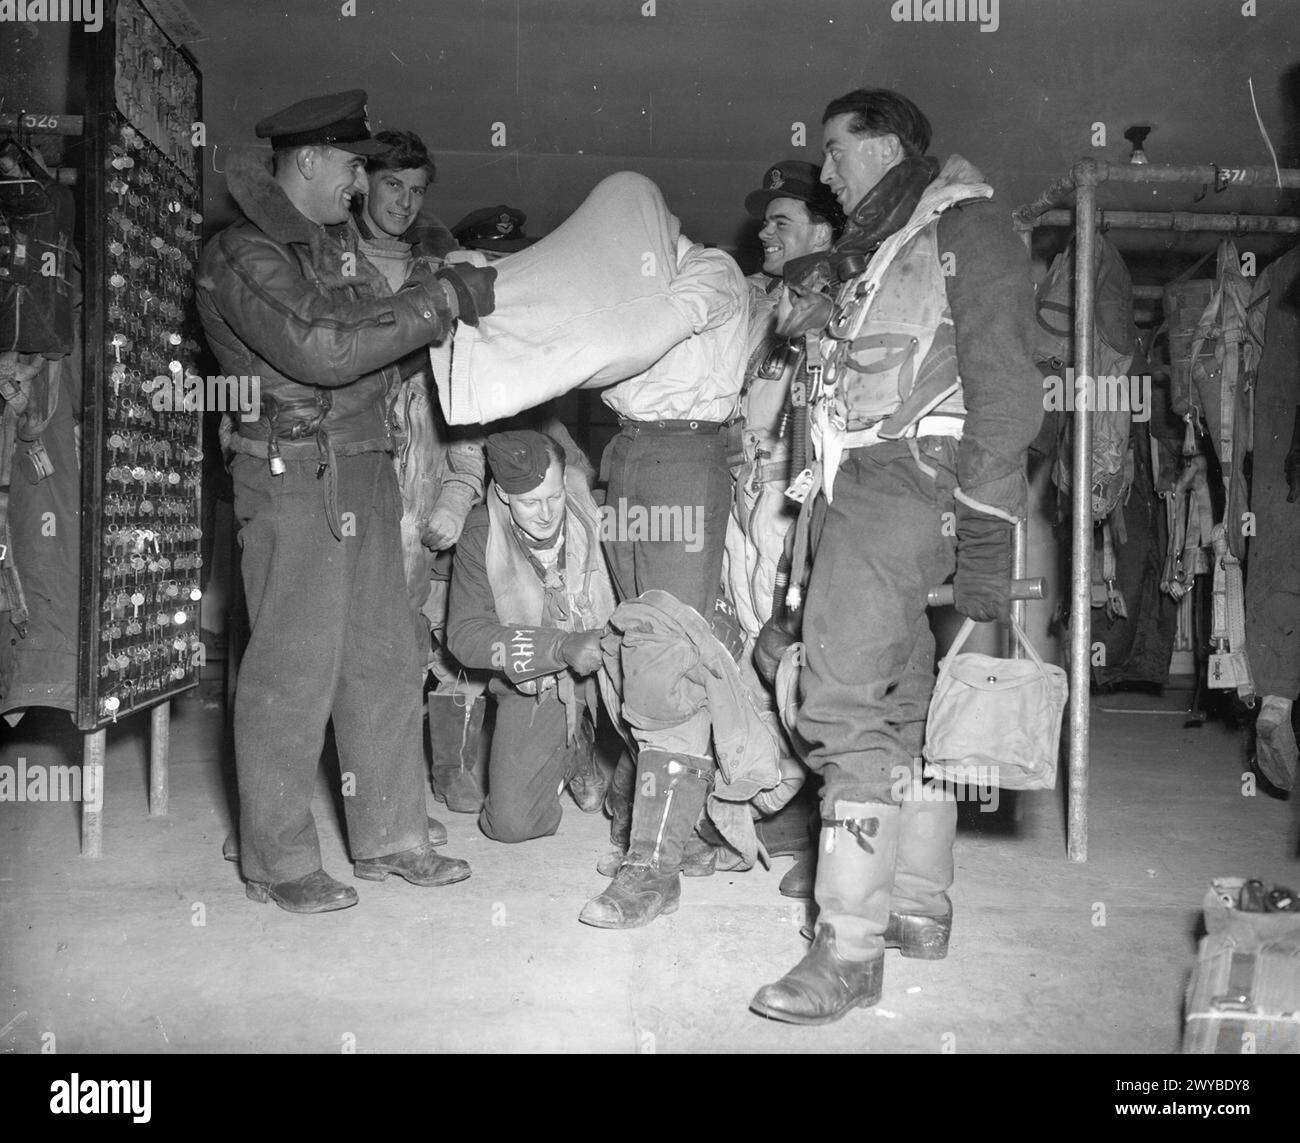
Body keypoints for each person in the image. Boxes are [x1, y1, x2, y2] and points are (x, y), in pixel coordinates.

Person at [748, 88, 1042, 1022]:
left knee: (839, 701)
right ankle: (917, 901)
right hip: (866, 486)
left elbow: (1008, 386)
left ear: (884, 144)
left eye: (836, 151)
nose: (826, 172)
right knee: (902, 697)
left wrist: (988, 523)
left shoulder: (967, 228)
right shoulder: (882, 245)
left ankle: (847, 946)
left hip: (902, 483)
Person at [197, 89, 495, 913]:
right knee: (292, 666)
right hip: (293, 472)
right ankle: (278, 859)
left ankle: (391, 835)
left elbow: (373, 354)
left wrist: (443, 323)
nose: (362, 184)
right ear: (308, 159)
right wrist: (438, 301)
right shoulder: (243, 253)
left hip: (363, 462)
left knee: (384, 656)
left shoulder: (332, 251)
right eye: (354, 166)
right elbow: (326, 349)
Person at [445, 431, 616, 841]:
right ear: (504, 494)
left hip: (612, 663)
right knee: (510, 825)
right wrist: (558, 647)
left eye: (554, 496)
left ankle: (604, 747)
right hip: (543, 678)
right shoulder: (481, 535)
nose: (546, 513)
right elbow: (465, 635)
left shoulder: (596, 512)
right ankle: (573, 745)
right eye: (530, 503)